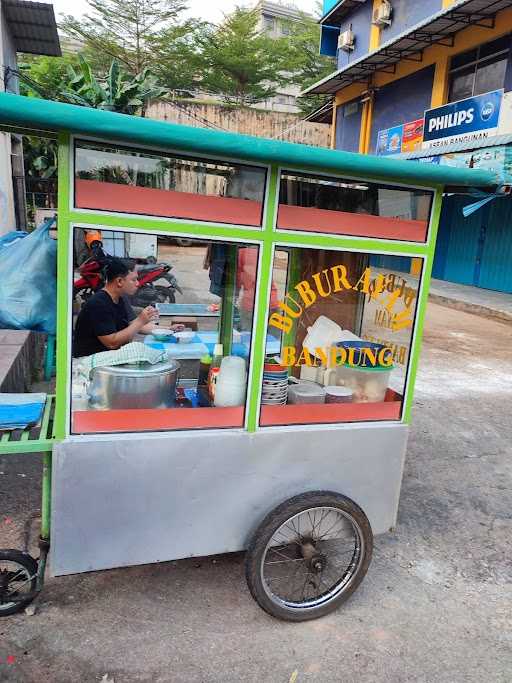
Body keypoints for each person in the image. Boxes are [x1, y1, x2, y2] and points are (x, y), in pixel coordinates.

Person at [73, 258, 183, 357]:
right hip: (89, 361)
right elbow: (112, 343)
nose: (138, 283)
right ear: (120, 281)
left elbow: (134, 324)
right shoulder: (98, 304)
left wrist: (168, 330)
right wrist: (141, 320)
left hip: (110, 356)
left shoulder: (120, 297)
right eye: (134, 279)